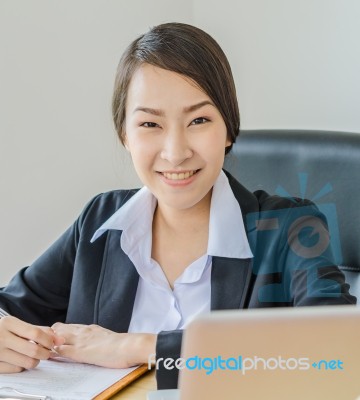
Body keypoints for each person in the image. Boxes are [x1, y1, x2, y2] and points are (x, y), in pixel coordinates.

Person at [0, 22, 356, 389]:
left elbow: (336, 350)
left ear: (229, 129)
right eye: (150, 123)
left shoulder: (289, 226)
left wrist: (140, 346)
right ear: (125, 134)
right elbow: (10, 306)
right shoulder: (99, 222)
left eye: (199, 120)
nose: (175, 152)